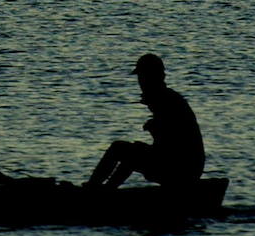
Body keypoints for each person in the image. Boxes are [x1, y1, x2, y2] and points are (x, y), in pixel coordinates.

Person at [85, 53, 205, 188]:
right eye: (140, 78)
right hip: (184, 167)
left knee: (120, 149)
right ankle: (103, 188)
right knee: (129, 152)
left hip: (183, 170)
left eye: (143, 77)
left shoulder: (165, 100)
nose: (140, 82)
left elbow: (173, 144)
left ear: (153, 77)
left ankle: (97, 189)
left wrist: (154, 128)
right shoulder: (166, 98)